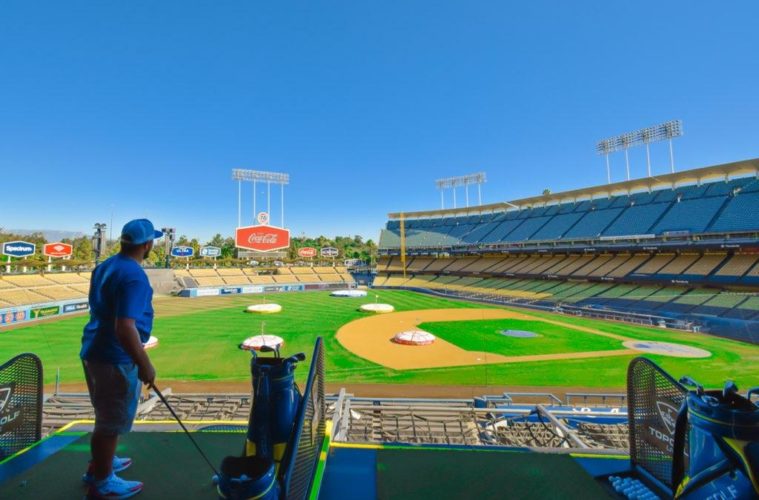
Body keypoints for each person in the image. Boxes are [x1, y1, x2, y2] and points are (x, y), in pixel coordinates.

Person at [80, 219, 162, 499]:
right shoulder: (134, 276)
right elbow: (124, 327)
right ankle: (102, 482)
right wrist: (145, 364)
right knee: (110, 422)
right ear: (147, 244)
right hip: (113, 357)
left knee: (105, 416)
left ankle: (99, 464)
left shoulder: (105, 265)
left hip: (94, 349)